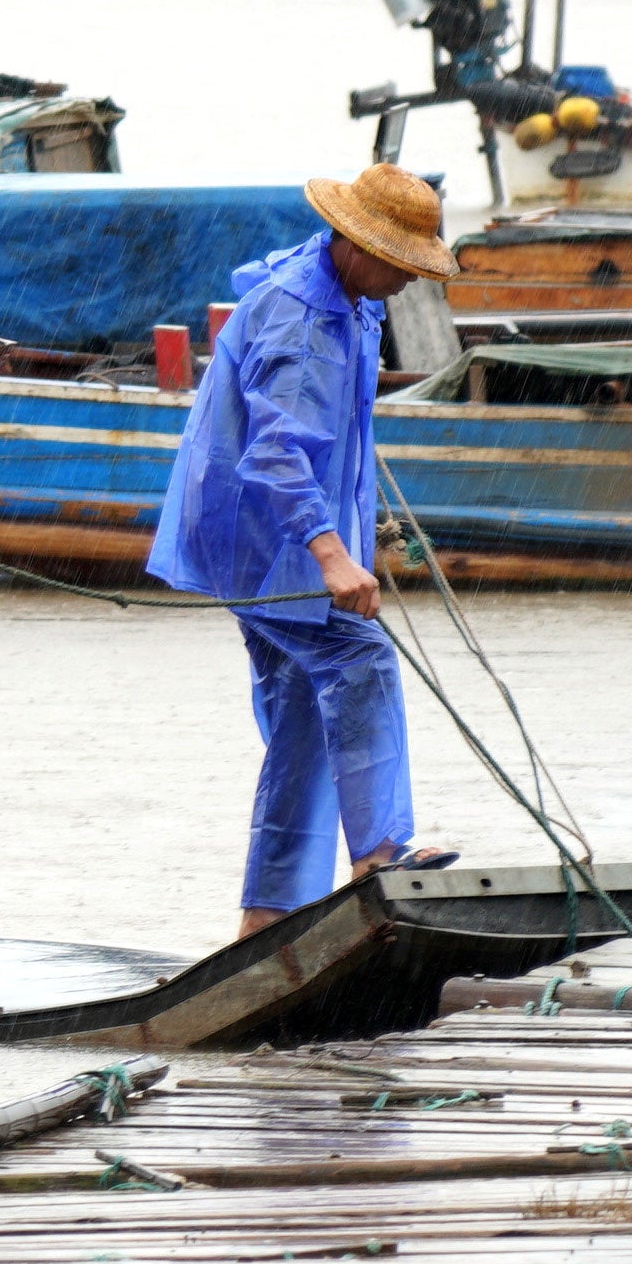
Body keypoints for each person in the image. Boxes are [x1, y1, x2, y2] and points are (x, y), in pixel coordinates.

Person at [146, 162, 461, 934]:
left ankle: (266, 920)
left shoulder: (348, 294)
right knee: (361, 661)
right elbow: (278, 453)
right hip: (262, 540)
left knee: (303, 724)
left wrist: (360, 531)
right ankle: (381, 852)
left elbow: (337, 431)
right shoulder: (304, 320)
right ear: (355, 244)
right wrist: (330, 554)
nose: (406, 282)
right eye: (399, 264)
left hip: (278, 532)